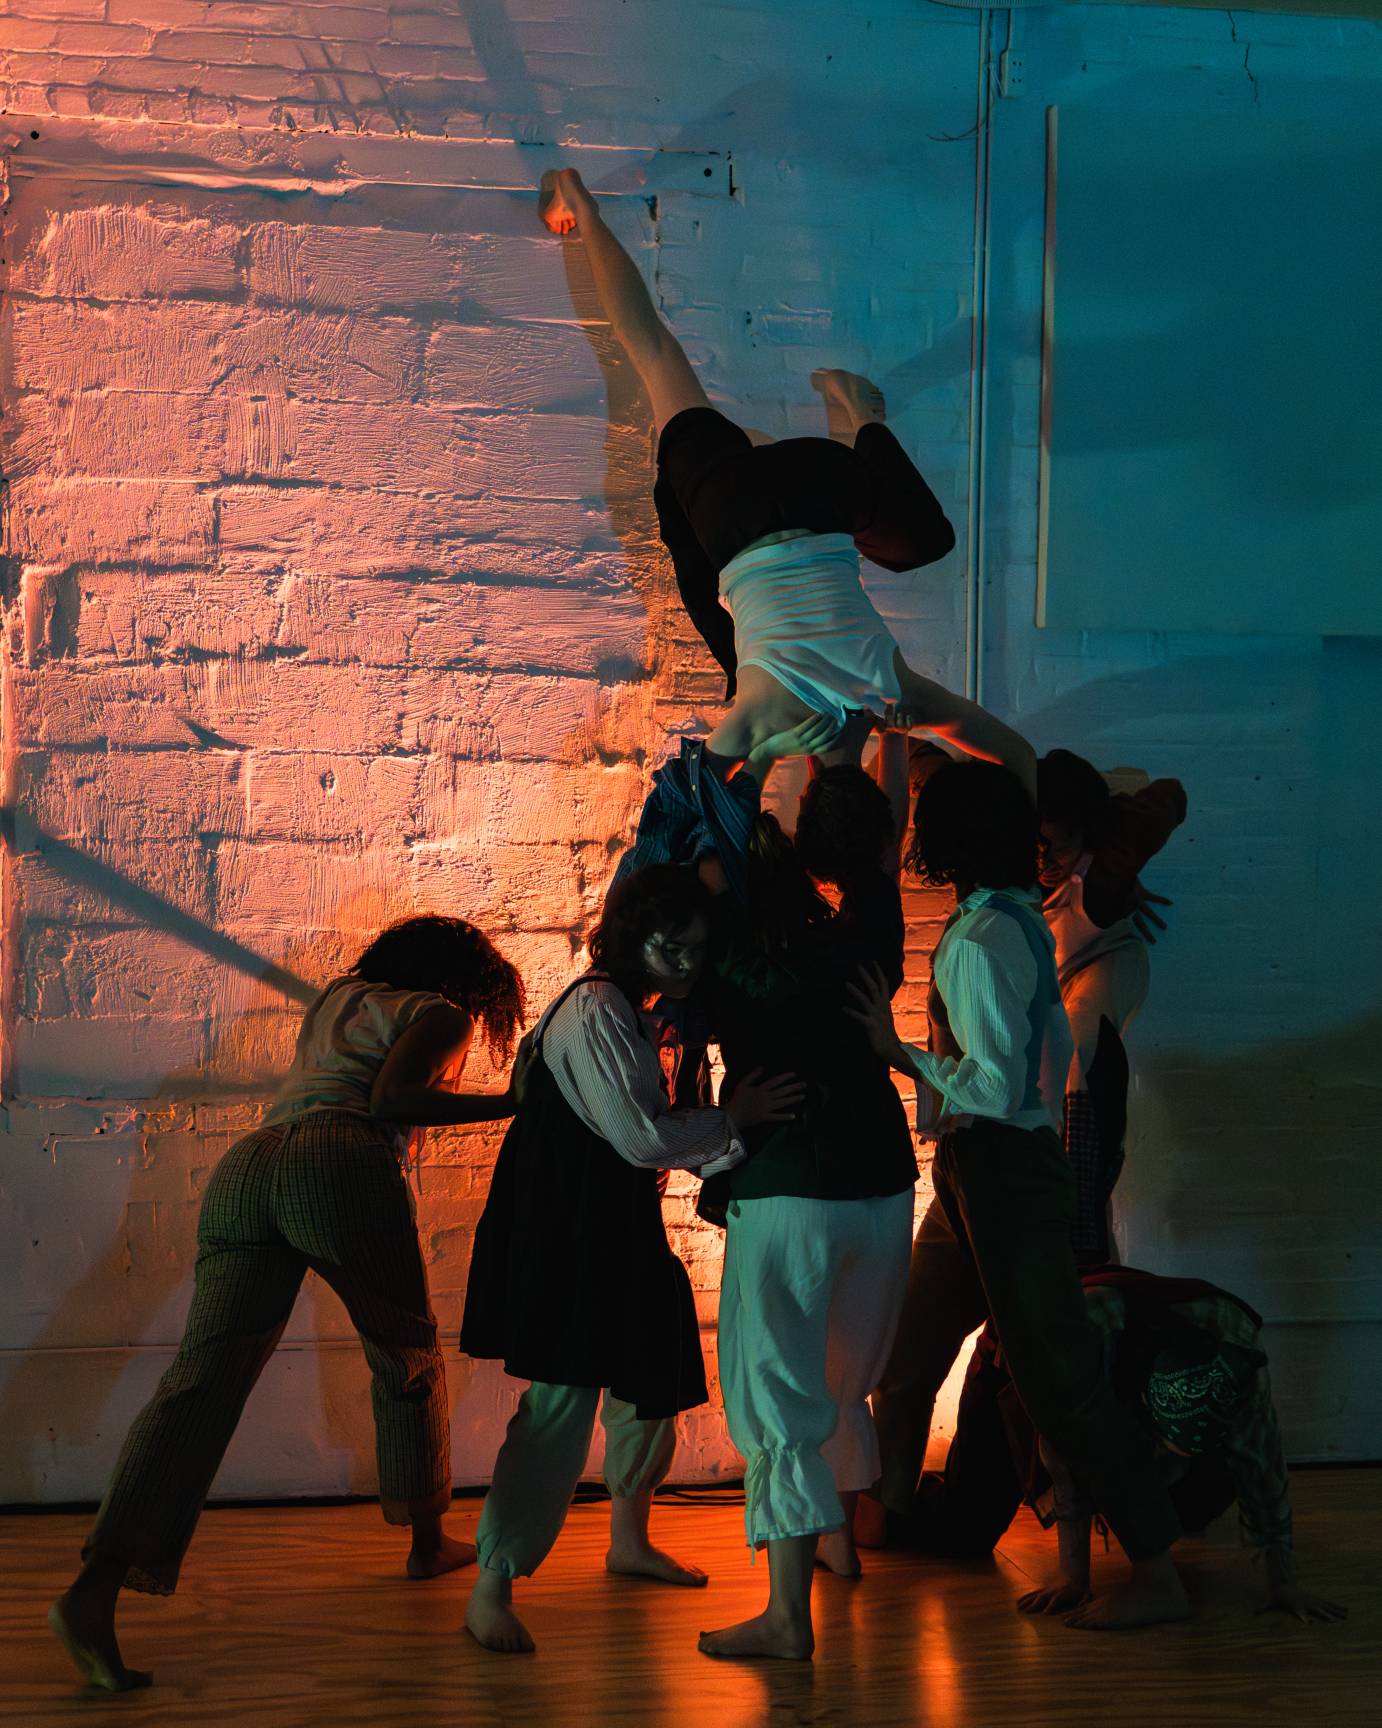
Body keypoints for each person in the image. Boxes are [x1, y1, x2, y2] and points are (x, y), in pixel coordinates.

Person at [49, 916, 528, 1692]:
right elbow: (391, 1098)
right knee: (405, 1356)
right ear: (469, 984)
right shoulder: (439, 1014)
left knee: (199, 1385)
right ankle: (425, 1543)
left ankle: (94, 1588)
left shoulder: (340, 997)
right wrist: (507, 1103)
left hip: (250, 1166)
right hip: (337, 1159)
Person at [849, 759, 1188, 1629]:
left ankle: (1156, 1572)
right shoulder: (1011, 920)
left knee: (1060, 1381)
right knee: (911, 1349)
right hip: (981, 1167)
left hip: (1003, 1166)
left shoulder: (982, 937)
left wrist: (897, 1052)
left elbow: (995, 1084)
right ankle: (881, 1511)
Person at [538, 167, 1020, 774]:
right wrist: (764, 755)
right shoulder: (756, 722)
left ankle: (859, 420)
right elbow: (697, 802)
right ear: (809, 785)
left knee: (924, 541)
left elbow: (1020, 755)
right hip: (733, 507)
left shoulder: (902, 698)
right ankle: (581, 207)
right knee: (653, 353)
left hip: (821, 485)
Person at [458, 864, 803, 1655]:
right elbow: (642, 1136)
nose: (684, 963)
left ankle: (629, 1539)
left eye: (696, 950)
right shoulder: (595, 1009)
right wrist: (734, 1119)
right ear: (629, 938)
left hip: (613, 1219)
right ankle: (492, 1584)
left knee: (650, 1374)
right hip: (568, 1225)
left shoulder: (641, 1011)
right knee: (561, 1401)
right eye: (669, 947)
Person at [688, 725, 920, 1660]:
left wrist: (745, 752)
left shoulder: (739, 950)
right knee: (842, 1379)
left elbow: (707, 837)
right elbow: (877, 844)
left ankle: (787, 1618)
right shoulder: (870, 932)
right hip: (882, 1185)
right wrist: (854, 746)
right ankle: (839, 1546)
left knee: (779, 1396)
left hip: (789, 1185)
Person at [1017, 1266, 1347, 1627]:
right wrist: (1072, 1575)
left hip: (1177, 1373)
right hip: (1083, 1354)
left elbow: (1262, 1465)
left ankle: (1177, 1497)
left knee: (1196, 1499)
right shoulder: (1092, 1331)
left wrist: (1283, 1582)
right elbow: (1062, 1437)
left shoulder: (1241, 1359)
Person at [1037, 750, 1187, 1263]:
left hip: (1107, 963)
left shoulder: (1104, 870)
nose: (1044, 859)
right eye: (1036, 843)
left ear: (1086, 837)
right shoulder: (1011, 858)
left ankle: (1083, 1209)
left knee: (1080, 1042)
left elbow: (1170, 794)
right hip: (1051, 977)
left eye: (1058, 848)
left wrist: (1117, 850)